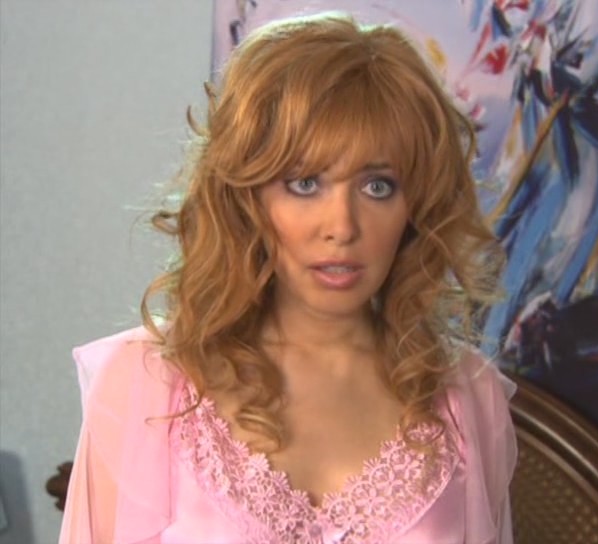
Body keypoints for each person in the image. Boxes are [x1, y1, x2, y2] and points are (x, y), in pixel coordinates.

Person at [59, 13, 516, 544]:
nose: (342, 227)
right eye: (304, 183)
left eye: (377, 186)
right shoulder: (146, 385)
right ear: (246, 197)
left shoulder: (468, 398)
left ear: (414, 206)